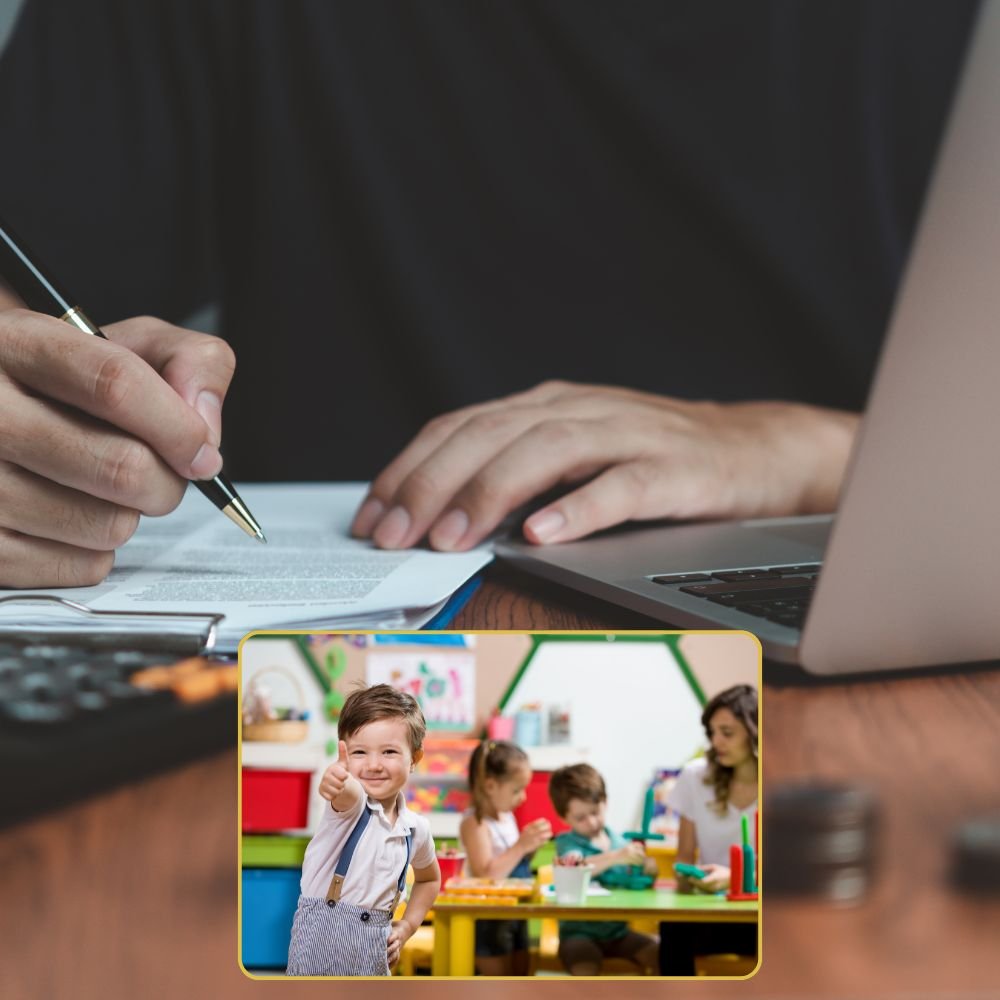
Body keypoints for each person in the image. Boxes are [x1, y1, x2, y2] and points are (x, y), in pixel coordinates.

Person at [0, 2, 979, 587]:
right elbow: (23, 303)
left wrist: (806, 451)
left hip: (849, 647)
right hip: (319, 679)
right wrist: (32, 417)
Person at [285, 684, 440, 977]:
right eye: (359, 752)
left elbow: (429, 879)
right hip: (318, 956)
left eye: (389, 752)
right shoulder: (350, 808)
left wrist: (406, 927)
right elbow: (347, 792)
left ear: (415, 759)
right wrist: (337, 782)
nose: (373, 765)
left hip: (374, 955)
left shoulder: (416, 829)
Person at [660, 683, 758, 976]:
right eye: (712, 733)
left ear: (755, 732)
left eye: (727, 733)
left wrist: (734, 878)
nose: (717, 742)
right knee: (673, 929)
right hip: (714, 911)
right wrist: (688, 876)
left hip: (767, 917)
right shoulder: (694, 777)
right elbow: (685, 856)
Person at [547, 763, 659, 976]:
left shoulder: (619, 842)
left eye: (595, 812)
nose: (591, 822)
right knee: (585, 970)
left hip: (619, 933)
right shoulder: (567, 843)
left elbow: (637, 885)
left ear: (605, 802)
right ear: (564, 819)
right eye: (580, 818)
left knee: (664, 955)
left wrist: (649, 872)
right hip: (578, 935)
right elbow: (575, 866)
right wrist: (615, 857)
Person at [459, 739, 552, 975]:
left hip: (515, 911)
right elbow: (486, 874)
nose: (523, 798)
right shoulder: (475, 823)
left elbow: (511, 865)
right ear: (490, 786)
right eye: (516, 789)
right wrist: (521, 846)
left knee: (522, 979)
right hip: (491, 917)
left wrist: (530, 848)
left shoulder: (506, 816)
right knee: (498, 984)